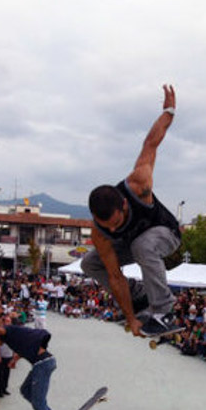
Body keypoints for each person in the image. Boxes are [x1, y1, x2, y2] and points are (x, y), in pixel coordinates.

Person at [82, 85, 182, 338]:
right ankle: (140, 298)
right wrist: (131, 317)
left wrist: (169, 112)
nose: (112, 229)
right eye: (107, 226)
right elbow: (115, 276)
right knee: (90, 263)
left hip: (166, 233)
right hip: (135, 246)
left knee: (141, 245)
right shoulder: (100, 232)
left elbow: (151, 144)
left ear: (124, 204)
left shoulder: (139, 184)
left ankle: (164, 310)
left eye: (116, 222)